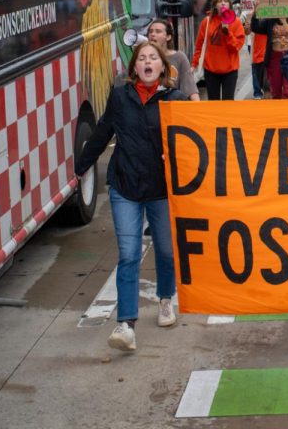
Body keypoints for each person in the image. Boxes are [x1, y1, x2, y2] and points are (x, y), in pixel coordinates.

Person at [75, 41, 188, 351]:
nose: (148, 62)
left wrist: (176, 156)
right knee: (128, 254)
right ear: (134, 68)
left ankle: (165, 299)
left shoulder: (175, 100)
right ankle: (126, 324)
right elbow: (103, 131)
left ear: (163, 67)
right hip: (125, 186)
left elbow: (192, 142)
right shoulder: (120, 97)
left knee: (165, 251)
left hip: (161, 190)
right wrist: (82, 166)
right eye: (142, 59)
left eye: (153, 57)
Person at [191, 0, 245, 100]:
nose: (223, 4)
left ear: (230, 5)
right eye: (220, 2)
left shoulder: (237, 22)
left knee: (227, 103)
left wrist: (227, 33)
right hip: (211, 70)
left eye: (225, 1)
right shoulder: (206, 22)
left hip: (230, 71)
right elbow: (199, 45)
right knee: (213, 102)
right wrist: (194, 64)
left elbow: (236, 48)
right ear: (215, 5)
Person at [146, 19, 200, 101]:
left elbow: (190, 89)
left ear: (168, 37)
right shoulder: (143, 58)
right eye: (150, 32)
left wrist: (198, 109)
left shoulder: (179, 58)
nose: (153, 34)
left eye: (158, 31)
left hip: (172, 107)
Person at [251, 10, 288, 100]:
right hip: (274, 59)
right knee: (275, 91)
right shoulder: (270, 21)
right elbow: (255, 27)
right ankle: (278, 112)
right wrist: (256, 11)